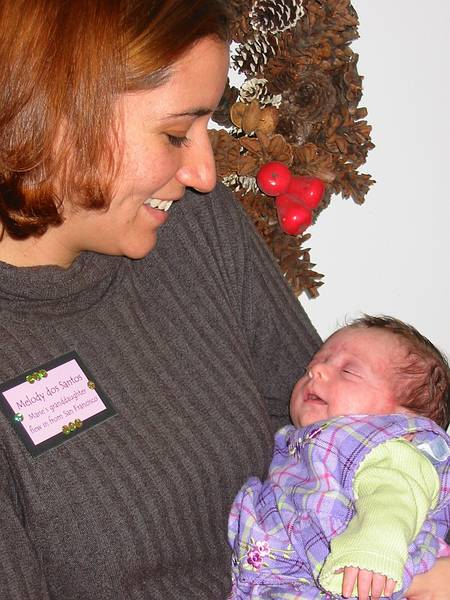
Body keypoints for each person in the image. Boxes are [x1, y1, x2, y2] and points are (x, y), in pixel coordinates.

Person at [0, 1, 448, 598]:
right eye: (175, 134)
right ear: (53, 115)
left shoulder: (197, 230)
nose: (206, 174)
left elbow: (349, 445)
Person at [228, 316, 450, 600]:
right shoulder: (300, 444)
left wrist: (373, 549)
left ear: (402, 418)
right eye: (311, 367)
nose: (316, 370)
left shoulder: (385, 445)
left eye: (348, 371)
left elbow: (394, 496)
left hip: (368, 573)